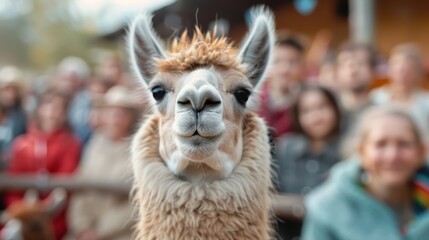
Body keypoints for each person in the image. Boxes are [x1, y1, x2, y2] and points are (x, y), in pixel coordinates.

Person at [302, 106, 429, 240]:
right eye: (381, 144)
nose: (392, 156)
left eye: (403, 144)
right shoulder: (329, 207)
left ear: (421, 152)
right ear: (362, 152)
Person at [5, 90, 81, 240]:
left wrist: (43, 209)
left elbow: (66, 179)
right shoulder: (22, 145)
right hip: (23, 215)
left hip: (56, 217)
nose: (53, 112)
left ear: (65, 114)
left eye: (59, 107)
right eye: (48, 105)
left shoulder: (71, 144)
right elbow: (13, 186)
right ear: (39, 109)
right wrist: (23, 210)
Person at [67, 86, 140, 240]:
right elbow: (80, 185)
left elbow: (138, 201)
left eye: (122, 113)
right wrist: (81, 225)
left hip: (120, 233)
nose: (115, 118)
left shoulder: (140, 149)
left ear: (131, 117)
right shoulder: (94, 142)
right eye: (110, 112)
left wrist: (100, 232)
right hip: (84, 231)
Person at [274, 85, 342, 240]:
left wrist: (297, 205)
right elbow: (265, 199)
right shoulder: (285, 148)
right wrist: (302, 206)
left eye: (322, 107)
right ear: (297, 116)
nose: (316, 116)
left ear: (335, 109)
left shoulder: (346, 153)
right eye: (307, 111)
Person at [371, 43, 429, 135]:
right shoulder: (374, 98)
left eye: (409, 69)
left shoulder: (426, 102)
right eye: (398, 68)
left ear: (418, 73)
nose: (402, 73)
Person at [258, 33, 306, 138]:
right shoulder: (254, 102)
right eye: (276, 62)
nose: (284, 69)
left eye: (292, 62)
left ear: (302, 67)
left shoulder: (306, 100)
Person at [336, 42, 377, 128]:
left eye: (360, 64)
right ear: (337, 72)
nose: (353, 71)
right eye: (346, 65)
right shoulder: (330, 113)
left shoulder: (381, 114)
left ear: (373, 71)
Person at [0, 66, 27, 166]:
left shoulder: (21, 116)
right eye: (7, 89)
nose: (11, 94)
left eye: (14, 90)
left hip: (13, 168)